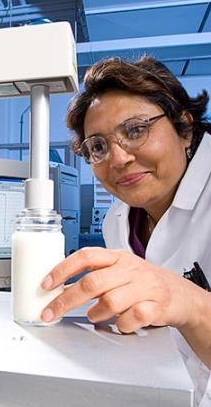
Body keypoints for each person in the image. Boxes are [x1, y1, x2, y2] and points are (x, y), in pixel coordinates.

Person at [40, 56, 211, 406]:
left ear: (185, 127)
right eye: (98, 147)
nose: (118, 159)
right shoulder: (117, 219)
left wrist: (192, 305)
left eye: (135, 130)